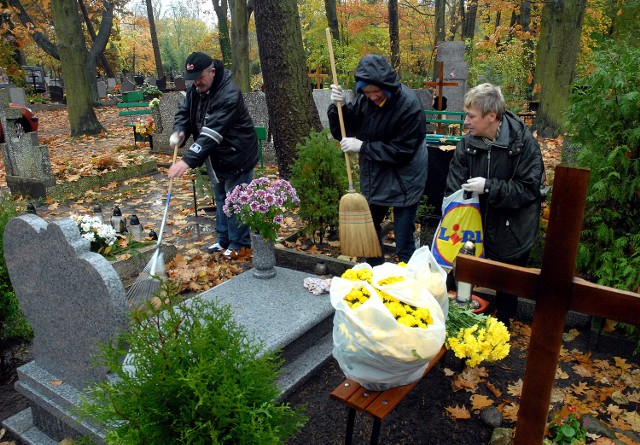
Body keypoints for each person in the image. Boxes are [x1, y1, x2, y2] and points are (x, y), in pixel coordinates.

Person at [444, 83, 544, 327]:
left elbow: (529, 189)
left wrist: (489, 187)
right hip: (472, 226)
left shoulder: (523, 144)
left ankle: (503, 329)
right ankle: (461, 324)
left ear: (492, 116)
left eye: (471, 116)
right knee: (464, 274)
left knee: (506, 283)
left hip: (511, 228)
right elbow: (454, 187)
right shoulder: (467, 144)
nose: (466, 121)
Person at [328, 54, 427, 265]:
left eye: (376, 91)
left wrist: (363, 146)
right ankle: (376, 276)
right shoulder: (365, 101)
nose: (372, 96)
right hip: (376, 176)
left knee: (403, 241)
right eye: (366, 92)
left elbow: (403, 150)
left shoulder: (409, 105)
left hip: (405, 179)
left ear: (387, 85)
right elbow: (344, 130)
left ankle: (409, 288)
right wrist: (339, 107)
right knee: (370, 235)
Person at [168, 52, 259, 257]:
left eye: (200, 77)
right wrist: (179, 131)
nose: (196, 82)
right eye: (193, 79)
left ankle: (240, 244)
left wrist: (187, 161)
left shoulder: (229, 93)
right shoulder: (196, 90)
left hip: (237, 154)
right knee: (220, 198)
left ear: (212, 71)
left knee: (236, 200)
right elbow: (184, 112)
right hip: (216, 156)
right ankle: (223, 240)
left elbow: (212, 132)